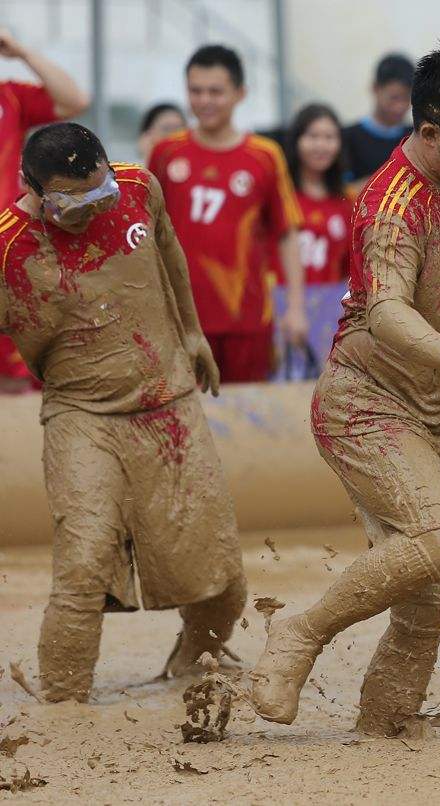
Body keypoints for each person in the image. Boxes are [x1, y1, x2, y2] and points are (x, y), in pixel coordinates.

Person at [249, 36, 440, 735]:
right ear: (429, 131)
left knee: (427, 592)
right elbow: (388, 308)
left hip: (427, 404)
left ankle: (386, 724)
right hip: (366, 402)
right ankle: (301, 632)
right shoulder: (392, 201)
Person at [0, 123, 245, 702]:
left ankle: (193, 664)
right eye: (69, 204)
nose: (88, 211)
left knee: (224, 580)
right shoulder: (9, 246)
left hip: (170, 403)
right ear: (29, 186)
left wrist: (191, 332)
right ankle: (64, 709)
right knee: (83, 566)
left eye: (98, 195)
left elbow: (168, 247)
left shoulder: (139, 186)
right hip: (81, 414)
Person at [149, 44, 307, 384]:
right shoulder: (165, 152)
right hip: (180, 318)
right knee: (183, 417)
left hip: (246, 320)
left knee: (248, 419)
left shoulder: (265, 155)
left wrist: (295, 308)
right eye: (196, 91)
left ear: (240, 94)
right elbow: (146, 233)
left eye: (215, 92)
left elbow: (287, 234)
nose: (204, 100)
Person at [0, 27, 90, 393]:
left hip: (9, 254)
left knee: (16, 380)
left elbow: (75, 100)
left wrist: (22, 51)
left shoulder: (11, 98)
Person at [285, 103, 353, 284]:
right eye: (312, 136)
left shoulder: (347, 202)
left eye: (329, 137)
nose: (321, 146)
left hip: (330, 307)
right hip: (281, 304)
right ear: (296, 141)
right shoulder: (280, 195)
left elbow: (349, 268)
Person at [342, 53, 415, 191]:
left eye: (407, 98)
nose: (400, 106)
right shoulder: (347, 137)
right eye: (394, 98)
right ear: (375, 88)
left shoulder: (415, 137)